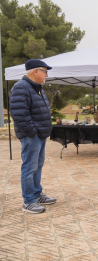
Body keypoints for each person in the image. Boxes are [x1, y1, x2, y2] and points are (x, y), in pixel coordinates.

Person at [10, 59, 57, 214]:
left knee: (37, 165)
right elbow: (19, 114)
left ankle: (37, 194)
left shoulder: (37, 88)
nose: (47, 74)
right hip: (32, 136)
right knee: (29, 167)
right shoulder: (21, 87)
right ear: (36, 71)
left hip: (39, 134)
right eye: (45, 71)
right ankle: (29, 201)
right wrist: (33, 132)